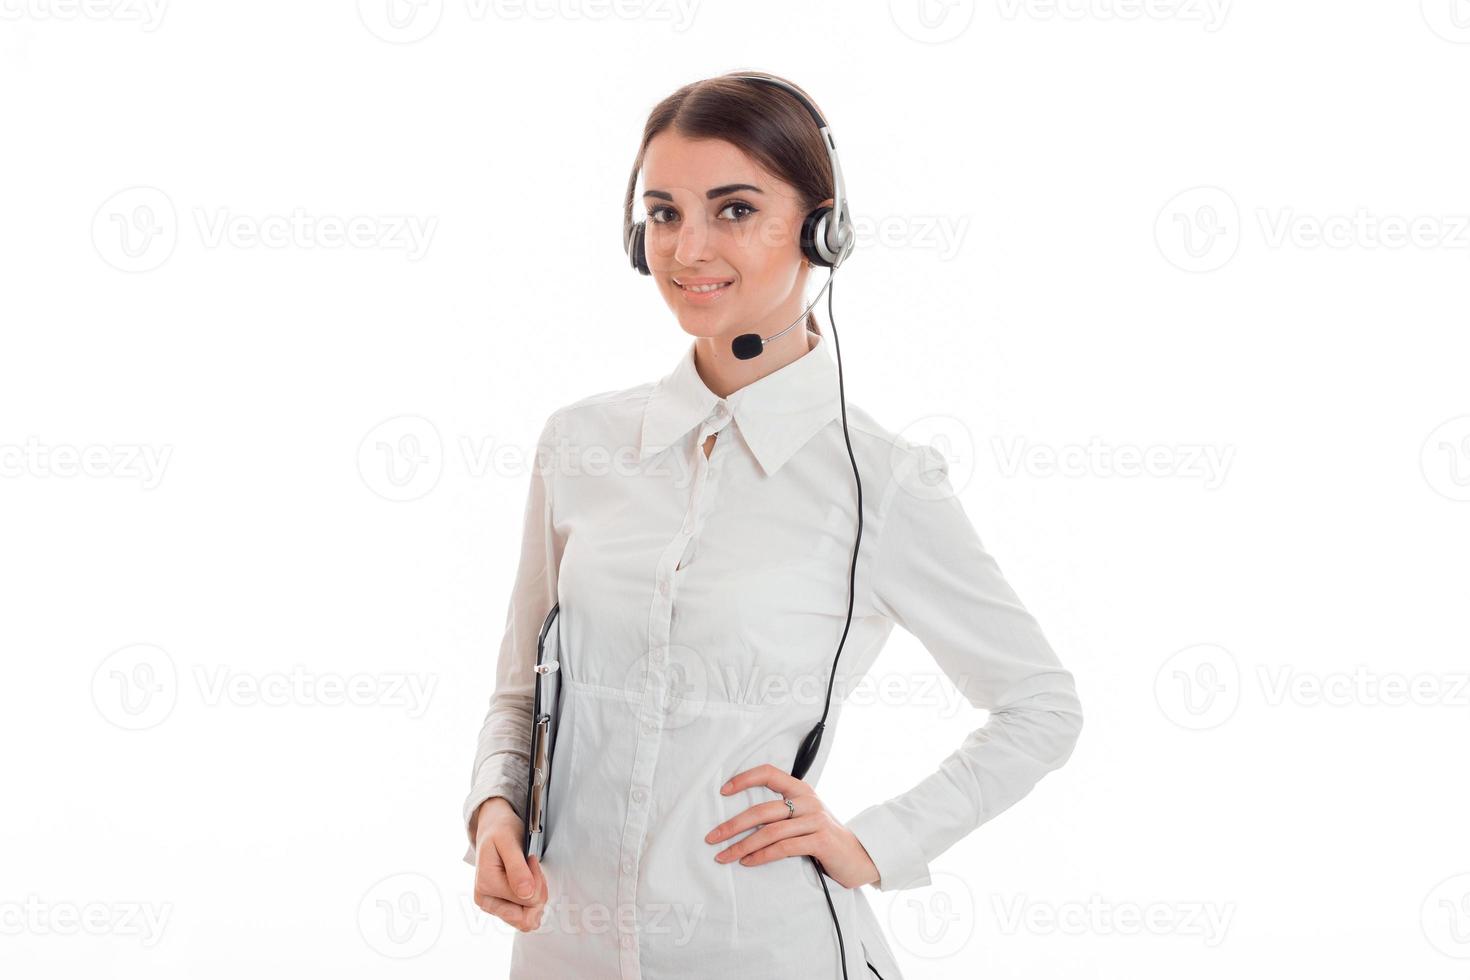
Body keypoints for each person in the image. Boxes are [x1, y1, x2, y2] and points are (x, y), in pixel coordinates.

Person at [460, 70, 1084, 980]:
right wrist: (492, 814)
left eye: (735, 209)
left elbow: (1041, 707)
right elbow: (522, 693)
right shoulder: (581, 445)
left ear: (822, 228)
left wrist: (874, 844)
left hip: (766, 950)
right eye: (665, 213)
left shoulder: (882, 481)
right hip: (566, 950)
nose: (687, 247)